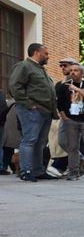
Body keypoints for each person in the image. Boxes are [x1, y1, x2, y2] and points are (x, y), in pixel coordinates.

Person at [8, 43, 58, 182]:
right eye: (46, 53)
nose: (48, 56)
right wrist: (29, 104)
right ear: (36, 53)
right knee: (29, 140)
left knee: (40, 142)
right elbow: (15, 86)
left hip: (45, 111)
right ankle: (26, 171)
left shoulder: (41, 69)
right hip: (31, 110)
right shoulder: (24, 66)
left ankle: (37, 170)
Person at [56, 63, 84, 181]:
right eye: (71, 70)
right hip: (71, 120)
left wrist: (78, 90)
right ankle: (73, 173)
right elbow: (59, 102)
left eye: (76, 70)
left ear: (81, 73)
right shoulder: (64, 86)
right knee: (72, 147)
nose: (72, 72)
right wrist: (63, 116)